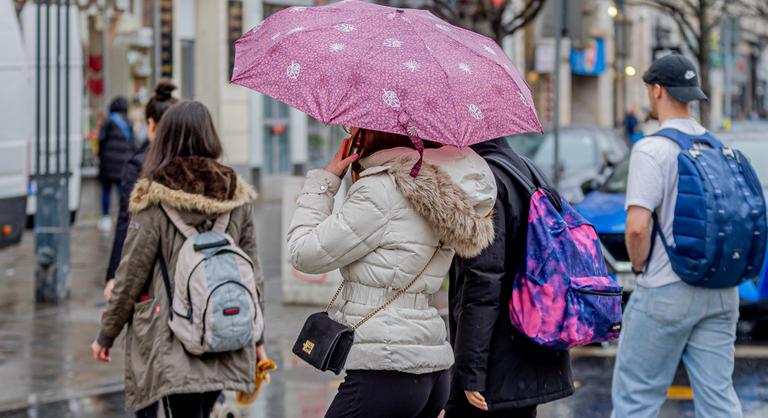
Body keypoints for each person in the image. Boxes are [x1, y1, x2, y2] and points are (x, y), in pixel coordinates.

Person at [287, 129, 497, 418]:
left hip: (385, 368)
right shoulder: (447, 194)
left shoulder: (381, 190)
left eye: (356, 129)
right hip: (431, 369)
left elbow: (304, 253)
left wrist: (324, 182)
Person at [91, 101, 267, 418]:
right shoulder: (236, 194)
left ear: (165, 139)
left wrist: (107, 334)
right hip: (225, 332)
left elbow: (130, 275)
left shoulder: (153, 197)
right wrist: (258, 338)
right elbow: (253, 274)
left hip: (173, 340)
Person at [611, 54, 742, 418]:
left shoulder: (652, 149)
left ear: (656, 90)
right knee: (718, 400)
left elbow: (638, 226)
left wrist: (639, 268)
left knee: (637, 398)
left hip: (666, 288)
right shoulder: (719, 146)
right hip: (720, 291)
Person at [446, 137, 574, 418]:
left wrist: (470, 373)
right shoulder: (527, 169)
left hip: (496, 362)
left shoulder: (484, 181)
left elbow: (483, 282)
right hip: (531, 346)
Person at [104, 80, 178, 302]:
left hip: (147, 270)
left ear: (150, 124)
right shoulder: (190, 163)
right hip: (184, 268)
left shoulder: (139, 165)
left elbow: (126, 222)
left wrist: (113, 275)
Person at [98, 96, 135, 232]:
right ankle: (124, 216)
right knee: (122, 191)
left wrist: (100, 156)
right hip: (123, 164)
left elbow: (100, 140)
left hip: (107, 163)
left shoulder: (107, 121)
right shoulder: (129, 122)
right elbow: (133, 143)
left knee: (106, 191)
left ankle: (106, 218)